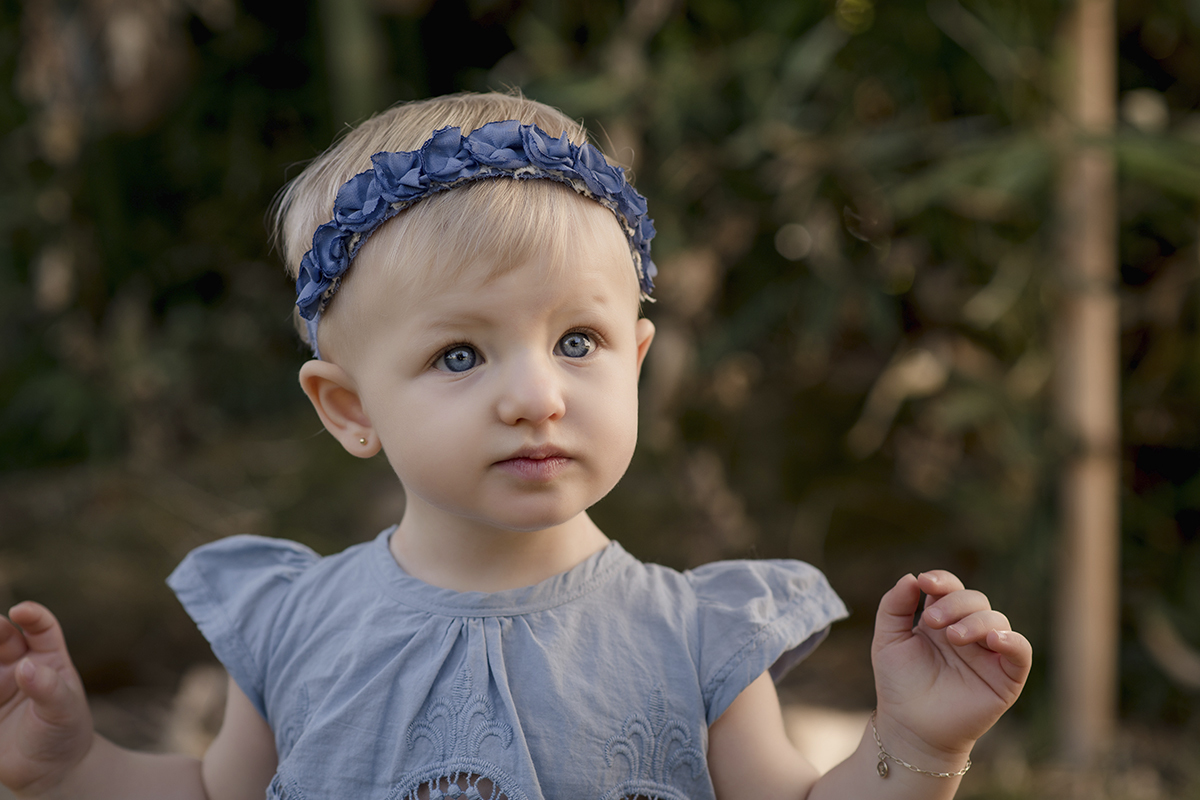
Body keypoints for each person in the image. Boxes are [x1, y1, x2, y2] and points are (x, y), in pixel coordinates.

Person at [0, 91, 1031, 800]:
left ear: (636, 357)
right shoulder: (292, 622)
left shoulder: (698, 637)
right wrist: (70, 764)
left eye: (576, 341)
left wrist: (916, 742)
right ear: (347, 405)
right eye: (459, 355)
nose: (536, 395)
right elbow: (215, 789)